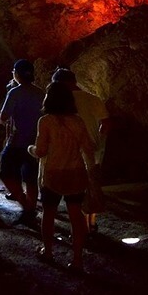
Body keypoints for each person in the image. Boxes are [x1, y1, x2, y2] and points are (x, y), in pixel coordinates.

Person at [28, 81, 96, 272]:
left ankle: (48, 251)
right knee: (76, 217)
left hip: (53, 175)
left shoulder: (46, 121)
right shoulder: (78, 121)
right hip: (76, 173)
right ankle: (77, 260)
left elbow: (40, 151)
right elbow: (88, 148)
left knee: (49, 214)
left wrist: (30, 148)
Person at [53, 67, 110, 234]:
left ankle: (80, 228)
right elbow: (106, 123)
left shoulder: (61, 102)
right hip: (92, 151)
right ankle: (91, 223)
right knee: (91, 188)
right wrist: (99, 140)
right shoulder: (92, 98)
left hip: (70, 152)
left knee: (74, 192)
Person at [0, 58, 45, 225]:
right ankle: (30, 208)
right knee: (31, 177)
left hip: (17, 142)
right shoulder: (41, 93)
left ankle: (26, 205)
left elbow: (3, 117)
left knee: (5, 173)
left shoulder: (14, 93)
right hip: (36, 141)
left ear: (16, 74)